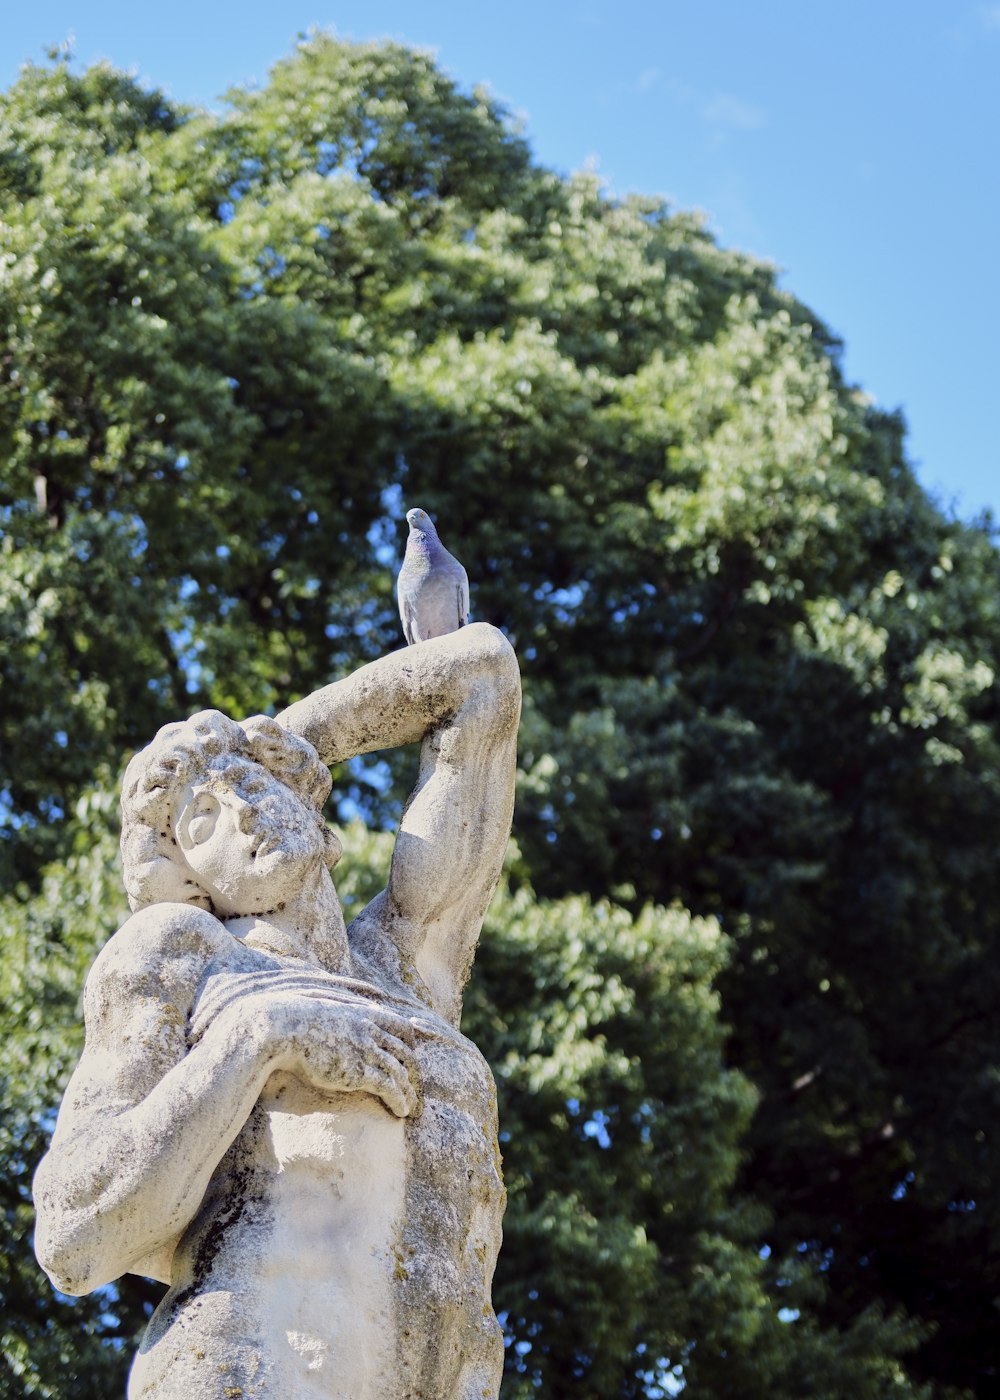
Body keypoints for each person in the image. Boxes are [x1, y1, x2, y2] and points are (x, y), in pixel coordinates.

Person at [33, 623, 520, 1400]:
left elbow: (481, 674)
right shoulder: (184, 951)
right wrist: (262, 1039)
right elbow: (73, 1231)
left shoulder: (411, 969)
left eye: (255, 790)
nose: (243, 812)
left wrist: (266, 745)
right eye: (202, 821)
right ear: (187, 878)